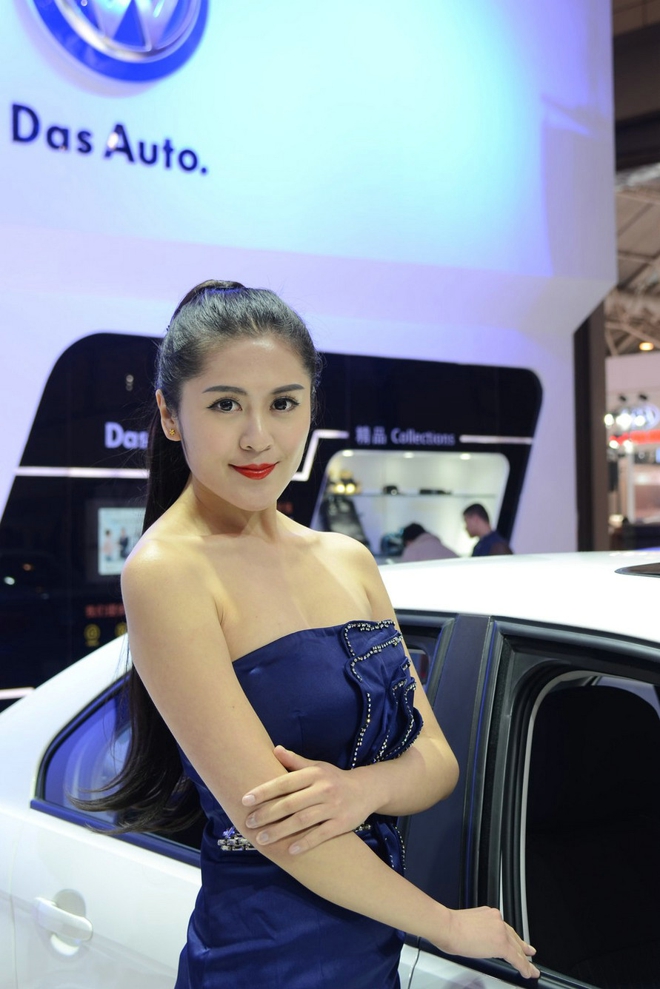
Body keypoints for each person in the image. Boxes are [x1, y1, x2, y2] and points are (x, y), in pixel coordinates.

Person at [89, 281, 538, 988]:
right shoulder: (167, 571)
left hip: (370, 954)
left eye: (283, 403)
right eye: (225, 404)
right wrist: (448, 925)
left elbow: (438, 760)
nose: (258, 436)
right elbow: (278, 826)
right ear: (171, 416)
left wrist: (360, 790)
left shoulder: (348, 560)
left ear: (311, 408)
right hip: (263, 961)